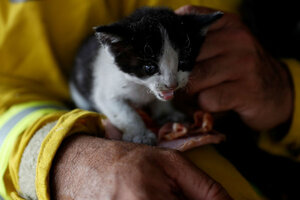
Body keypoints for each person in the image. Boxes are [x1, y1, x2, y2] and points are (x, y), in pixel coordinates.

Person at [0, 0, 298, 199]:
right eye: (150, 69)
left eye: (183, 65)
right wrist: (63, 160)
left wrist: (288, 91)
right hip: (84, 111)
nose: (171, 82)